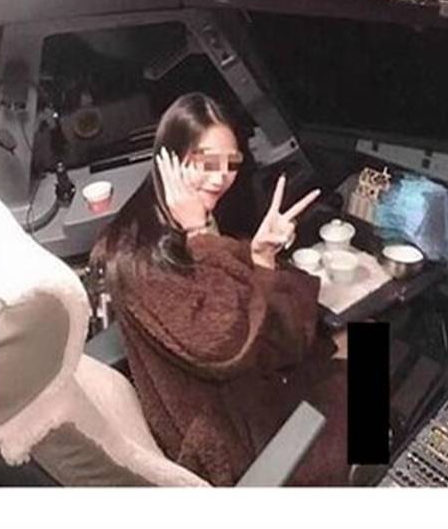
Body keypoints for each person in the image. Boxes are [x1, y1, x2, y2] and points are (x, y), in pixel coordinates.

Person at [93, 92, 349, 486]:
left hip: (241, 388)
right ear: (170, 159)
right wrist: (201, 234)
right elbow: (225, 342)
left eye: (231, 163)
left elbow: (240, 306)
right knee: (367, 361)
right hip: (230, 433)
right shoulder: (139, 256)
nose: (221, 177)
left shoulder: (180, 220)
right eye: (207, 161)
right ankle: (367, 475)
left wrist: (260, 255)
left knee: (352, 343)